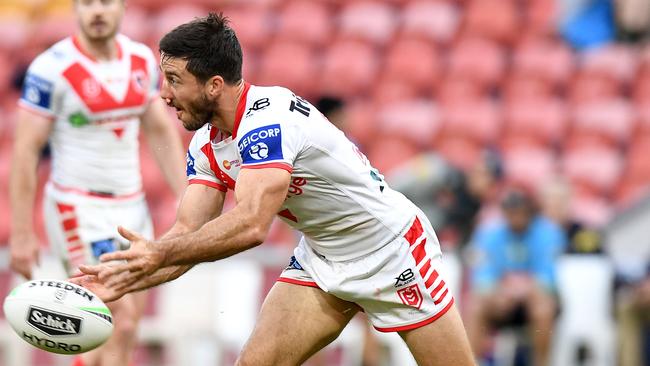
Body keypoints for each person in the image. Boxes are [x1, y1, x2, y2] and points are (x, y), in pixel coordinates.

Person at [73, 13, 476, 366]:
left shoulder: (270, 121)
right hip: (323, 258)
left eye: (175, 80)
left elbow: (251, 226)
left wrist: (158, 252)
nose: (164, 94)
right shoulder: (207, 144)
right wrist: (120, 279)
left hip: (390, 250)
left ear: (214, 85)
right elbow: (186, 237)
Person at [9, 0, 187, 365]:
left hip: (132, 206)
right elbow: (26, 151)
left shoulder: (139, 61)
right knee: (108, 322)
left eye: (105, 2)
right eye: (87, 3)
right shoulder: (51, 68)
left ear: (122, 6)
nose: (97, 11)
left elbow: (159, 130)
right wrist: (23, 233)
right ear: (76, 8)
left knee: (129, 324)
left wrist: (187, 197)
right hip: (78, 207)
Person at [465, 188, 566, 366]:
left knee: (543, 306)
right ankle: (471, 361)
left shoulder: (549, 233)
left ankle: (541, 363)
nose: (516, 218)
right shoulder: (489, 234)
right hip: (501, 301)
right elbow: (482, 275)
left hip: (534, 301)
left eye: (521, 213)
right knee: (476, 305)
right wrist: (497, 291)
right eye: (512, 213)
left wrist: (523, 290)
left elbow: (548, 278)